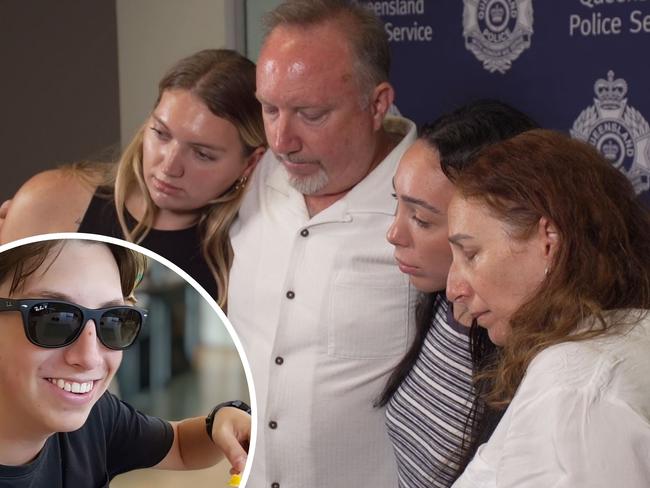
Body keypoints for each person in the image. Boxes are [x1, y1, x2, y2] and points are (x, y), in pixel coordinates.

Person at [227, 1, 417, 486]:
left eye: (311, 114)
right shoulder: (249, 172)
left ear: (377, 104)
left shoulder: (436, 210)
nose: (282, 140)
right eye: (269, 109)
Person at [444, 129, 650, 487]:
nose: (453, 289)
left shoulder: (576, 388)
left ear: (548, 242)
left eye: (471, 254)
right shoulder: (608, 346)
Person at [0, 49, 267, 307]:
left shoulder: (255, 253)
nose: (170, 166)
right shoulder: (53, 199)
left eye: (202, 154)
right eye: (161, 134)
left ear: (251, 162)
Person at [0, 237, 252, 488]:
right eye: (53, 319)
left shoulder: (95, 419)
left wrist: (221, 420)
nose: (89, 358)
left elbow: (180, 445)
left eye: (114, 320)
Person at [381, 100, 538, 488]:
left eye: (421, 218)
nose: (394, 234)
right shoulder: (435, 302)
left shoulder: (541, 362)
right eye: (396, 204)